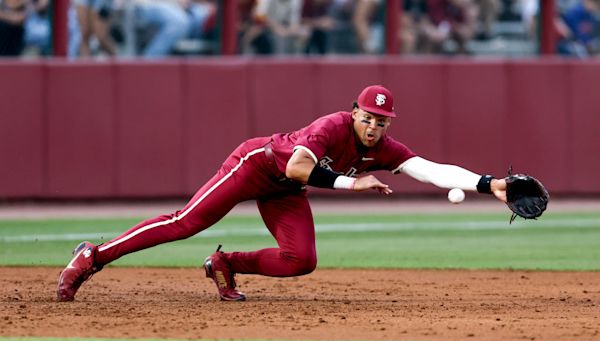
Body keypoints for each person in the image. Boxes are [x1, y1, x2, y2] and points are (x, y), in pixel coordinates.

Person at [57, 85, 509, 303]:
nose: (373, 126)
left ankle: (225, 264)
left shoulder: (385, 148)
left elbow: (430, 170)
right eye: (368, 116)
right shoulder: (330, 127)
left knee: (302, 260)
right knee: (187, 223)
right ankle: (91, 255)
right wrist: (354, 183)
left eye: (382, 121)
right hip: (255, 165)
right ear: (354, 113)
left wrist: (490, 184)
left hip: (287, 190)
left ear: (389, 125)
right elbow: (297, 166)